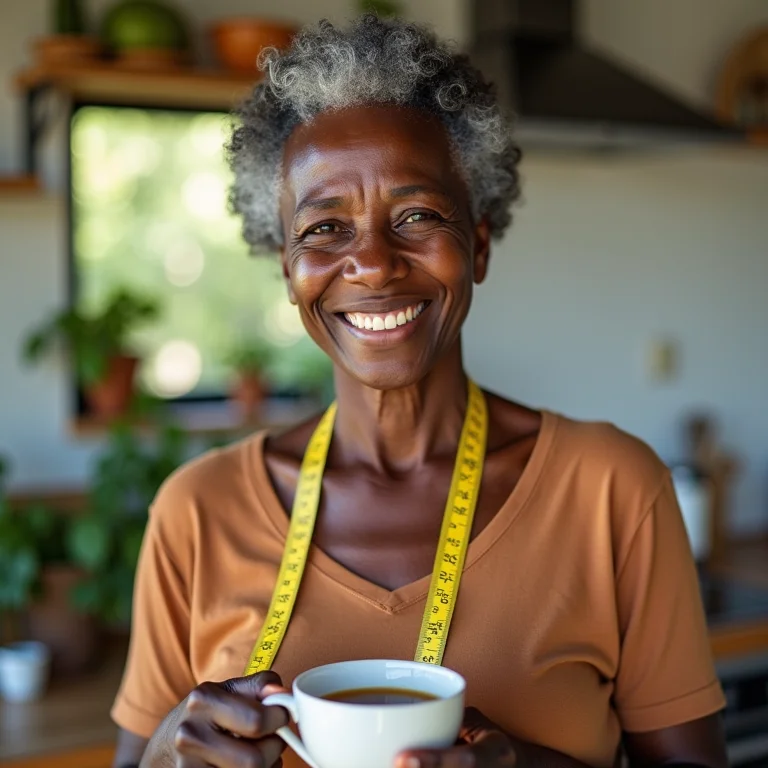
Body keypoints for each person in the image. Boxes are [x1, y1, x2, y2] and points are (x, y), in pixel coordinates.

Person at [112, 15, 728, 768]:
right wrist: (158, 761)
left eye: (416, 216)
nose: (371, 263)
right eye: (324, 228)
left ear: (478, 244)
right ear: (287, 269)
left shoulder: (612, 489)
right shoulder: (195, 513)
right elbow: (139, 758)